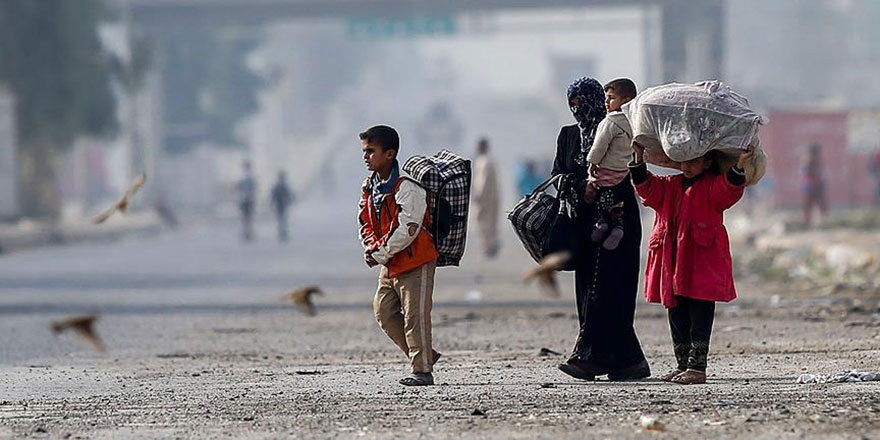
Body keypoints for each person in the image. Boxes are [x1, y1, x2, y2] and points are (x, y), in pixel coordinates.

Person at [629, 142, 754, 385]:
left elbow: (729, 190)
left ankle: (697, 367)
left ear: (707, 163)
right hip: (672, 260)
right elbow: (646, 187)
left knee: (700, 312)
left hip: (701, 261)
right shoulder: (669, 185)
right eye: (684, 160)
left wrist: (739, 165)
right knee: (676, 311)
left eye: (694, 161)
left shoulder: (713, 186)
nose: (687, 166)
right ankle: (682, 364)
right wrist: (638, 157)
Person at [552, 77, 650, 381]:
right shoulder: (568, 136)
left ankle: (588, 359)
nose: (577, 109)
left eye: (582, 102)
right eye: (572, 104)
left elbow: (633, 169)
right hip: (585, 226)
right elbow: (558, 176)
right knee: (588, 291)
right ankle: (627, 362)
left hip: (618, 222)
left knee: (613, 291)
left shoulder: (619, 128)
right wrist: (581, 187)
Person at [357, 125, 441, 386]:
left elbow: (408, 228)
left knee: (415, 317)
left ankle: (422, 371)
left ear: (390, 154)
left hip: (416, 260)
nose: (365, 156)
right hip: (390, 261)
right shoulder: (370, 186)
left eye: (371, 151)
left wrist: (379, 252)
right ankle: (425, 355)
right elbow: (365, 220)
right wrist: (371, 247)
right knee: (384, 311)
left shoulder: (407, 187)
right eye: (364, 151)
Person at [586, 78, 638, 250]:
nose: (606, 102)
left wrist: (592, 162)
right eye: (606, 98)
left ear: (626, 100)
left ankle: (600, 222)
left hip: (606, 169)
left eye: (611, 98)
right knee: (617, 202)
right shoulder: (635, 122)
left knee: (595, 192)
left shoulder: (610, 122)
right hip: (622, 172)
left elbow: (600, 145)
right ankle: (617, 226)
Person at [472, 138, 501, 258]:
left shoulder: (485, 162)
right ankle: (488, 246)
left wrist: (478, 196)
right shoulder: (485, 161)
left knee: (484, 223)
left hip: (485, 199)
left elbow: (482, 182)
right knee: (487, 223)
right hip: (489, 199)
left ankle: (488, 247)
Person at [801, 143, 827, 227]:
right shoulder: (810, 162)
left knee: (819, 205)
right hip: (812, 187)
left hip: (815, 187)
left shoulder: (816, 162)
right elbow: (808, 175)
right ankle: (808, 223)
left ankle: (820, 222)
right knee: (809, 206)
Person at [270, 171, 295, 242]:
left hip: (280, 204)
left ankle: (282, 232)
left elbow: (273, 195)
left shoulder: (277, 185)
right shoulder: (284, 185)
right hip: (283, 204)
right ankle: (283, 232)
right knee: (283, 219)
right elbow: (289, 194)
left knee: (281, 219)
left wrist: (271, 203)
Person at [237, 160, 257, 241]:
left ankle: (246, 232)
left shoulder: (242, 177)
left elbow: (238, 189)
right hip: (249, 200)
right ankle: (248, 232)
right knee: (248, 217)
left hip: (244, 200)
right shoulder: (251, 177)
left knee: (245, 217)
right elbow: (254, 189)